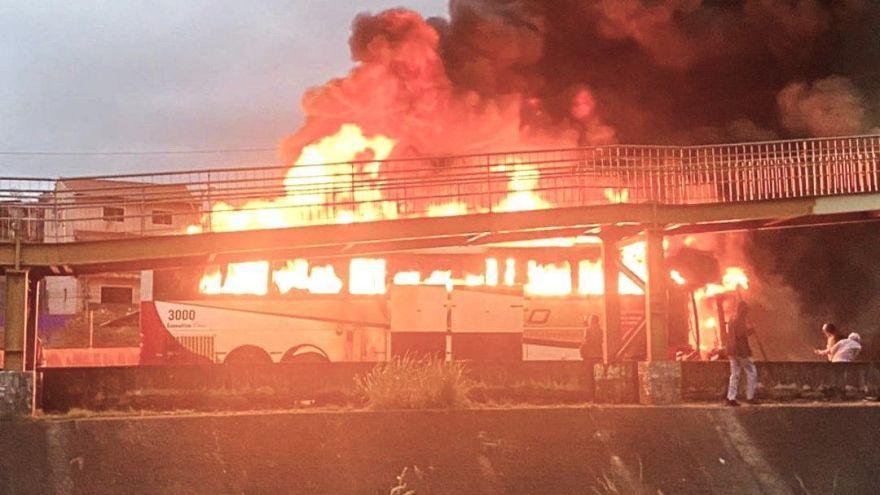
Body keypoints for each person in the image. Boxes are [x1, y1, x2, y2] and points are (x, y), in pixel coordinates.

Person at [726, 301, 757, 406]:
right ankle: (750, 397)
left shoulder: (731, 319)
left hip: (731, 351)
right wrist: (751, 330)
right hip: (740, 351)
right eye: (746, 311)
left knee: (734, 375)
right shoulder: (739, 319)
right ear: (743, 310)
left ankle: (731, 398)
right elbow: (740, 335)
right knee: (751, 372)